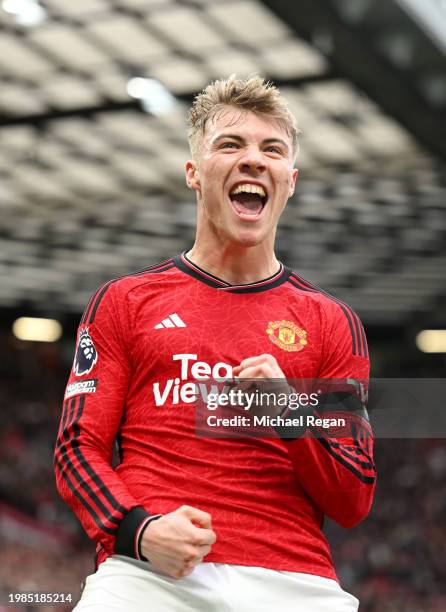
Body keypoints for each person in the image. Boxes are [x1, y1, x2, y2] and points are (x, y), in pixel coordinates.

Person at [54, 75, 376, 611]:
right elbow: (76, 449)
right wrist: (137, 530)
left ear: (289, 181)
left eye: (271, 149)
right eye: (231, 144)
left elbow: (353, 496)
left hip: (291, 581)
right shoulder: (125, 301)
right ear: (194, 174)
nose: (254, 160)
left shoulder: (329, 322)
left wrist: (290, 412)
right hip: (148, 576)